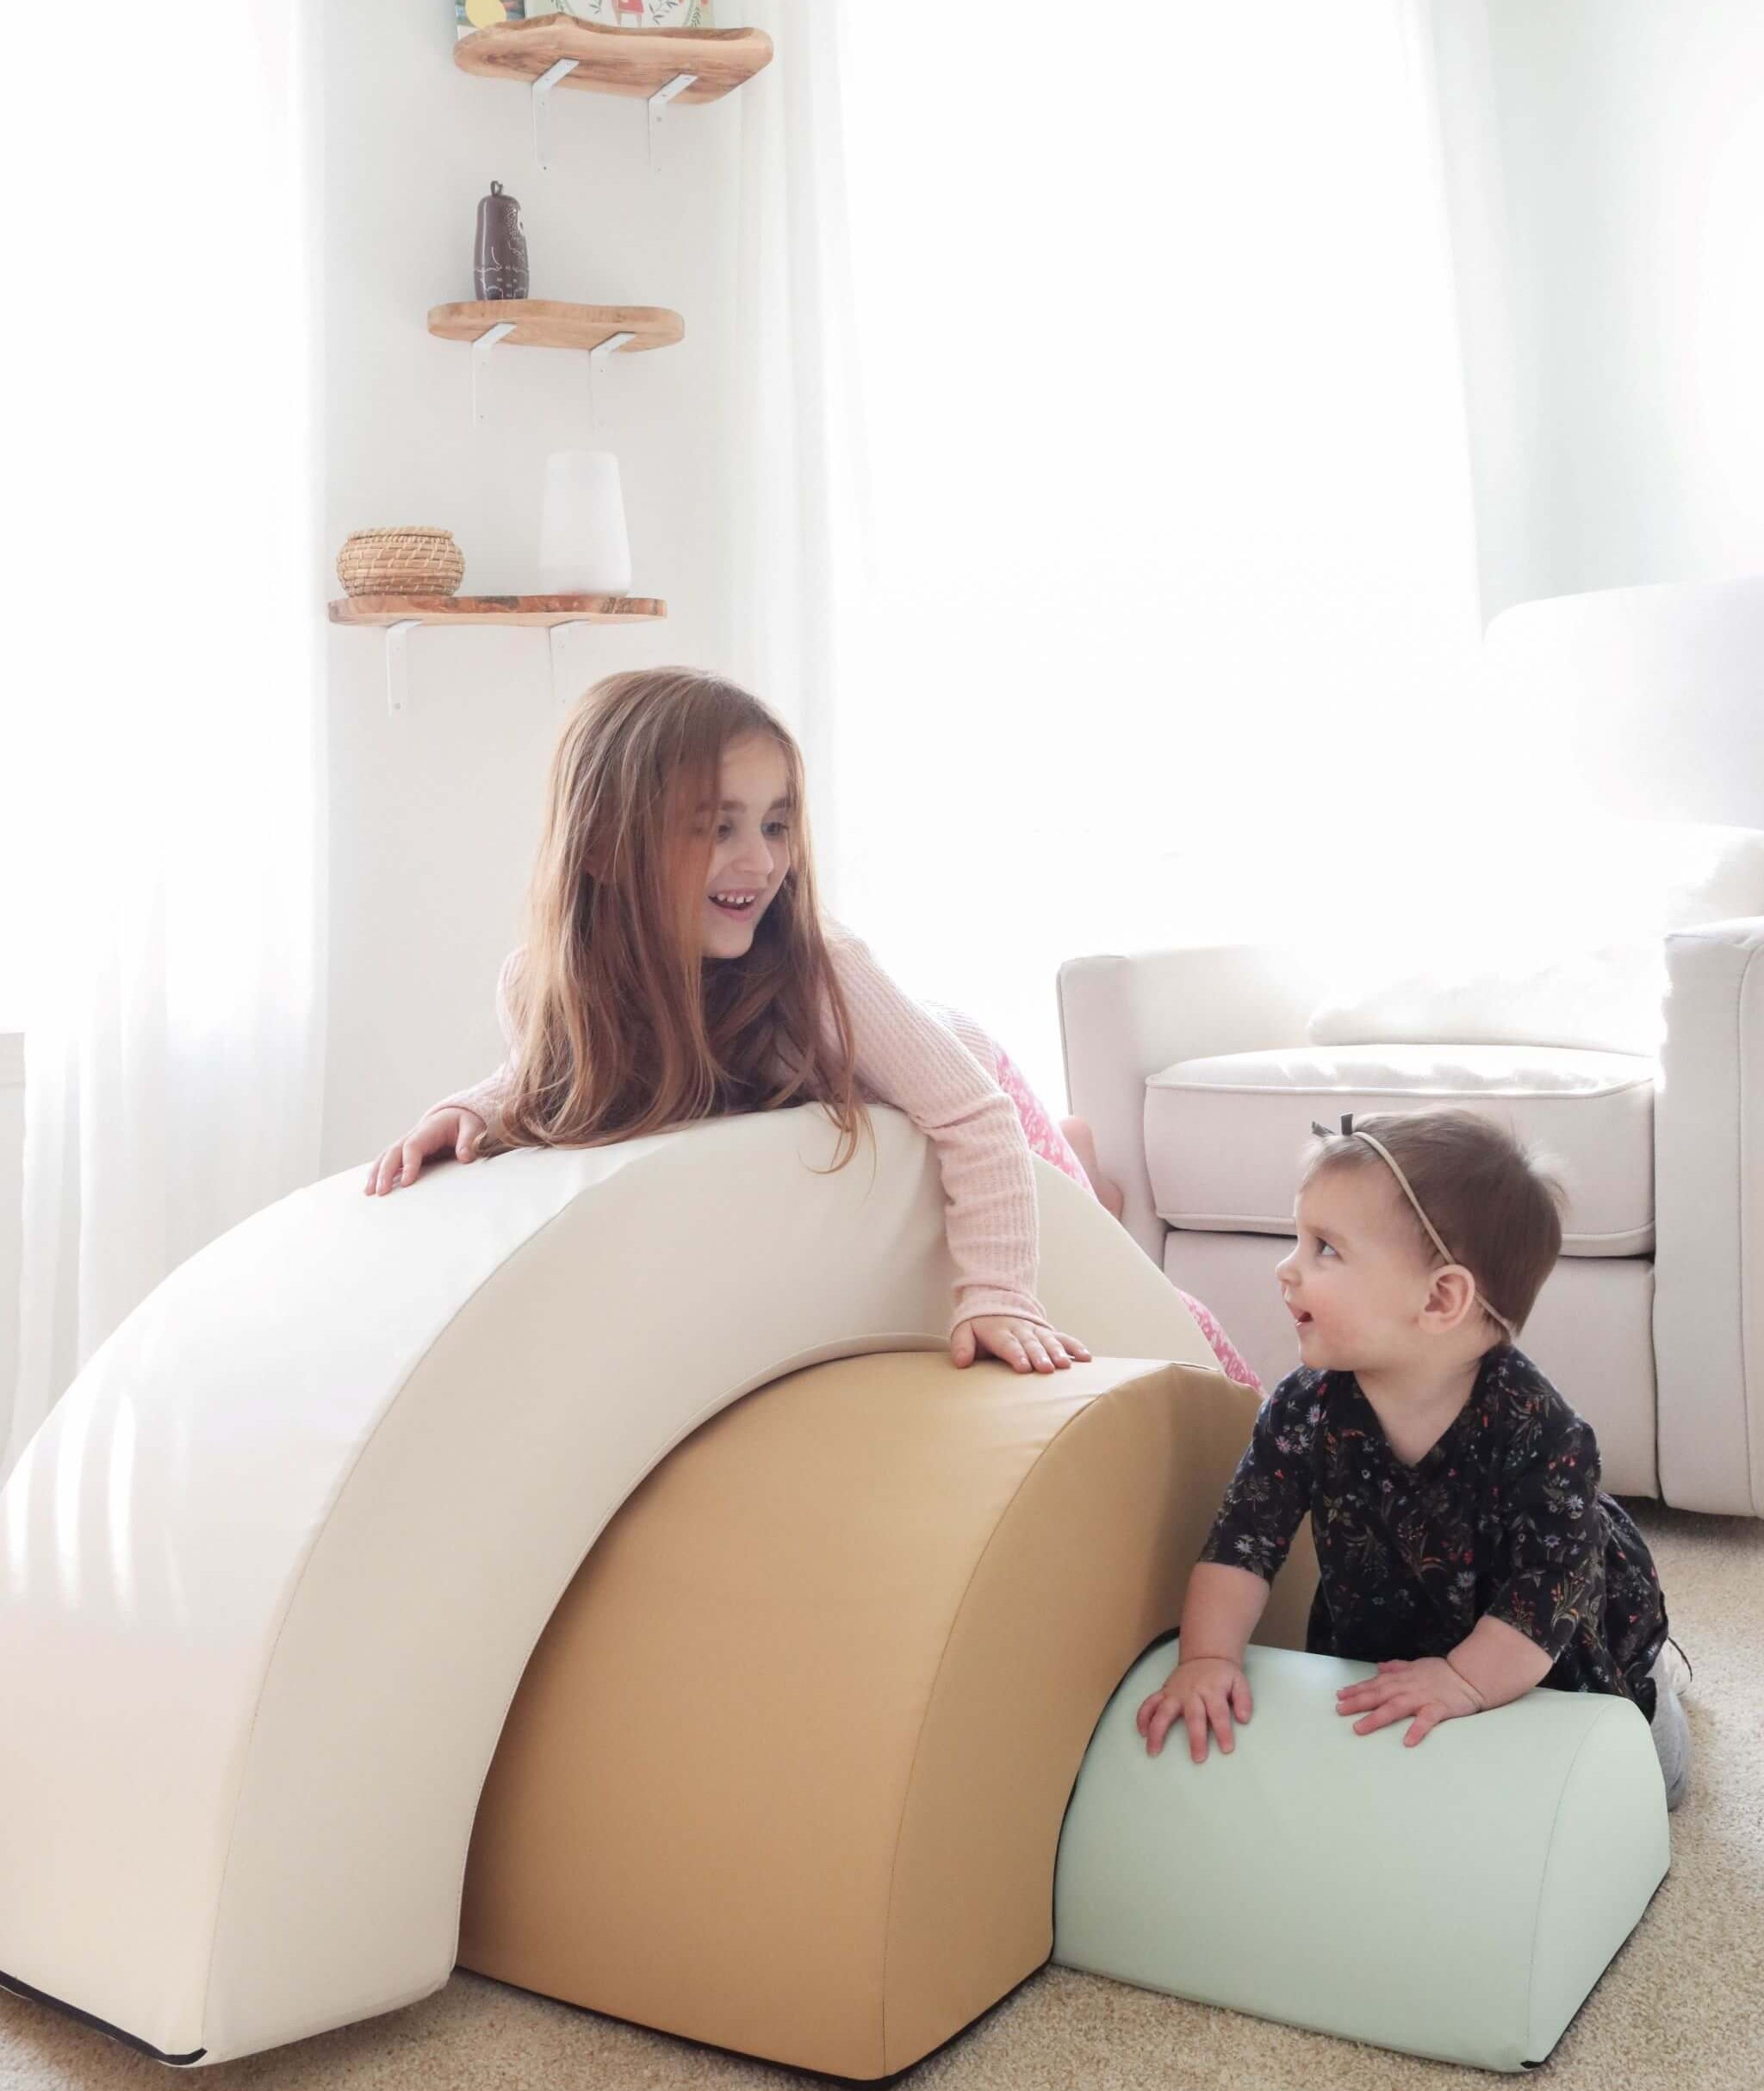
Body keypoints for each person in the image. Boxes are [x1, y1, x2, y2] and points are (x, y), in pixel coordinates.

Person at [364, 667, 1255, 1384]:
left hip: (971, 1086)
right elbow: (547, 1072)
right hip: (876, 1100)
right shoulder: (540, 983)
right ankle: (1086, 1162)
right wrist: (476, 1109)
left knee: (1143, 1293)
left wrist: (997, 1294)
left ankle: (1076, 1165)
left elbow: (971, 1118)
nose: (759, 861)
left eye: (777, 824)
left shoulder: (818, 972)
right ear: (599, 847)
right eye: (717, 828)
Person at [1136, 1108, 1690, 1809]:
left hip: (1538, 1633)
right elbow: (1242, 1543)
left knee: (1654, 1787)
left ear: (1440, 1299)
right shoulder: (1304, 1410)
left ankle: (1662, 1688)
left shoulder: (1545, 1437)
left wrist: (1461, 1680)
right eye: (1297, 1239)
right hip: (1391, 1619)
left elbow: (1545, 1596)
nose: (1286, 1268)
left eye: (1325, 1249)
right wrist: (1208, 1656)